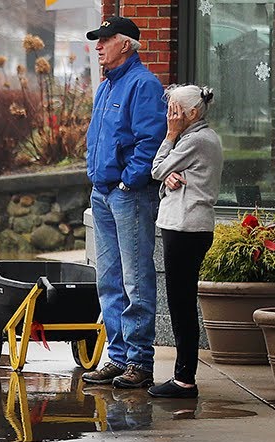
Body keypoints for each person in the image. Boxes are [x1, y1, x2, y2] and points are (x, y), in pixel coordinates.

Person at [82, 16, 167, 389]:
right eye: (97, 40)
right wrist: (96, 174)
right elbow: (96, 138)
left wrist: (129, 182)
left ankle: (139, 362)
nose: (98, 45)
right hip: (102, 192)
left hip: (127, 195)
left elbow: (151, 140)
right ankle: (117, 359)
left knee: (135, 280)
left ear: (127, 44)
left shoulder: (144, 85)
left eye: (105, 39)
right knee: (109, 281)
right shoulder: (105, 87)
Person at [147, 85, 223, 399]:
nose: (171, 116)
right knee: (180, 302)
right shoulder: (199, 140)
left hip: (185, 228)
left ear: (192, 113)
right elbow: (166, 178)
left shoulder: (196, 139)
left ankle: (184, 379)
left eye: (176, 110)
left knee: (181, 304)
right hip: (187, 225)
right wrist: (169, 179)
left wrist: (168, 137)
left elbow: (155, 168)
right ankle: (183, 375)